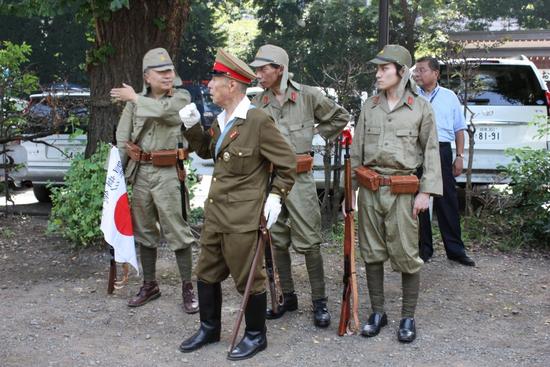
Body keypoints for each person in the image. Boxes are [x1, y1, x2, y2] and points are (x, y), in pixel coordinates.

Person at [178, 49, 295, 361]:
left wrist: (276, 196)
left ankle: (256, 336)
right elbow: (206, 151)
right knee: (205, 272)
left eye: (214, 80)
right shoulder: (222, 119)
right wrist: (191, 125)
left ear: (231, 85)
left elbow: (287, 164)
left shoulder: (257, 121)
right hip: (216, 212)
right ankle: (209, 328)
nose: (209, 86)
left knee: (248, 278)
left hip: (243, 216)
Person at [249, 44, 350, 327]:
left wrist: (315, 134)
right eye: (256, 69)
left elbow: (340, 117)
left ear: (279, 68)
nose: (258, 74)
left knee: (310, 241)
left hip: (301, 180)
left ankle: (319, 302)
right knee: (276, 240)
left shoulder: (308, 96)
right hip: (271, 181)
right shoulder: (258, 104)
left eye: (263, 68)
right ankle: (286, 296)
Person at [349, 45, 442, 343]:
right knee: (372, 253)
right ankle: (378, 312)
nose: (377, 74)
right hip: (370, 189)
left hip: (403, 192)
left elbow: (431, 152)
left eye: (384, 69)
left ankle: (407, 316)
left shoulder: (421, 107)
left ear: (401, 72)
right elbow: (356, 153)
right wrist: (350, 192)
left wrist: (426, 192)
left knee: (406, 255)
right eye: (377, 69)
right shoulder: (370, 106)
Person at [111, 47, 199, 314]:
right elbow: (123, 140)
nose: (167, 75)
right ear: (147, 76)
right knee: (145, 231)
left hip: (169, 173)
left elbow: (165, 112)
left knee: (177, 231)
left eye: (170, 70)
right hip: (140, 173)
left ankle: (187, 287)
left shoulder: (181, 97)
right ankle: (150, 284)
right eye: (161, 72)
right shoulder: (134, 102)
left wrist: (135, 99)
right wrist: (117, 179)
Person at [414, 56, 476, 267]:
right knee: (419, 200)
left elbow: (460, 129)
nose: (418, 74)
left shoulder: (449, 97)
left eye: (422, 70)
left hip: (441, 150)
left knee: (446, 200)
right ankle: (424, 250)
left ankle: (455, 250)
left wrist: (459, 156)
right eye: (417, 70)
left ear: (435, 73)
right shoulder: (412, 95)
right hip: (417, 151)